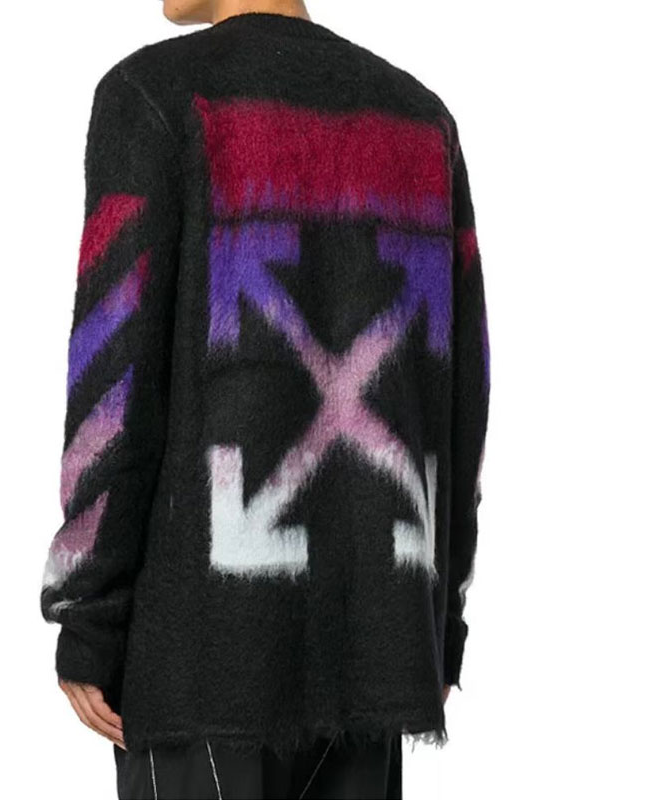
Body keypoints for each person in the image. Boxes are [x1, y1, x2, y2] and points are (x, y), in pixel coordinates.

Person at [40, 0, 490, 797]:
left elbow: (114, 376)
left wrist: (88, 613)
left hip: (200, 665)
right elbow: (463, 397)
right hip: (377, 650)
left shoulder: (154, 96)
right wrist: (437, 626)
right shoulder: (421, 122)